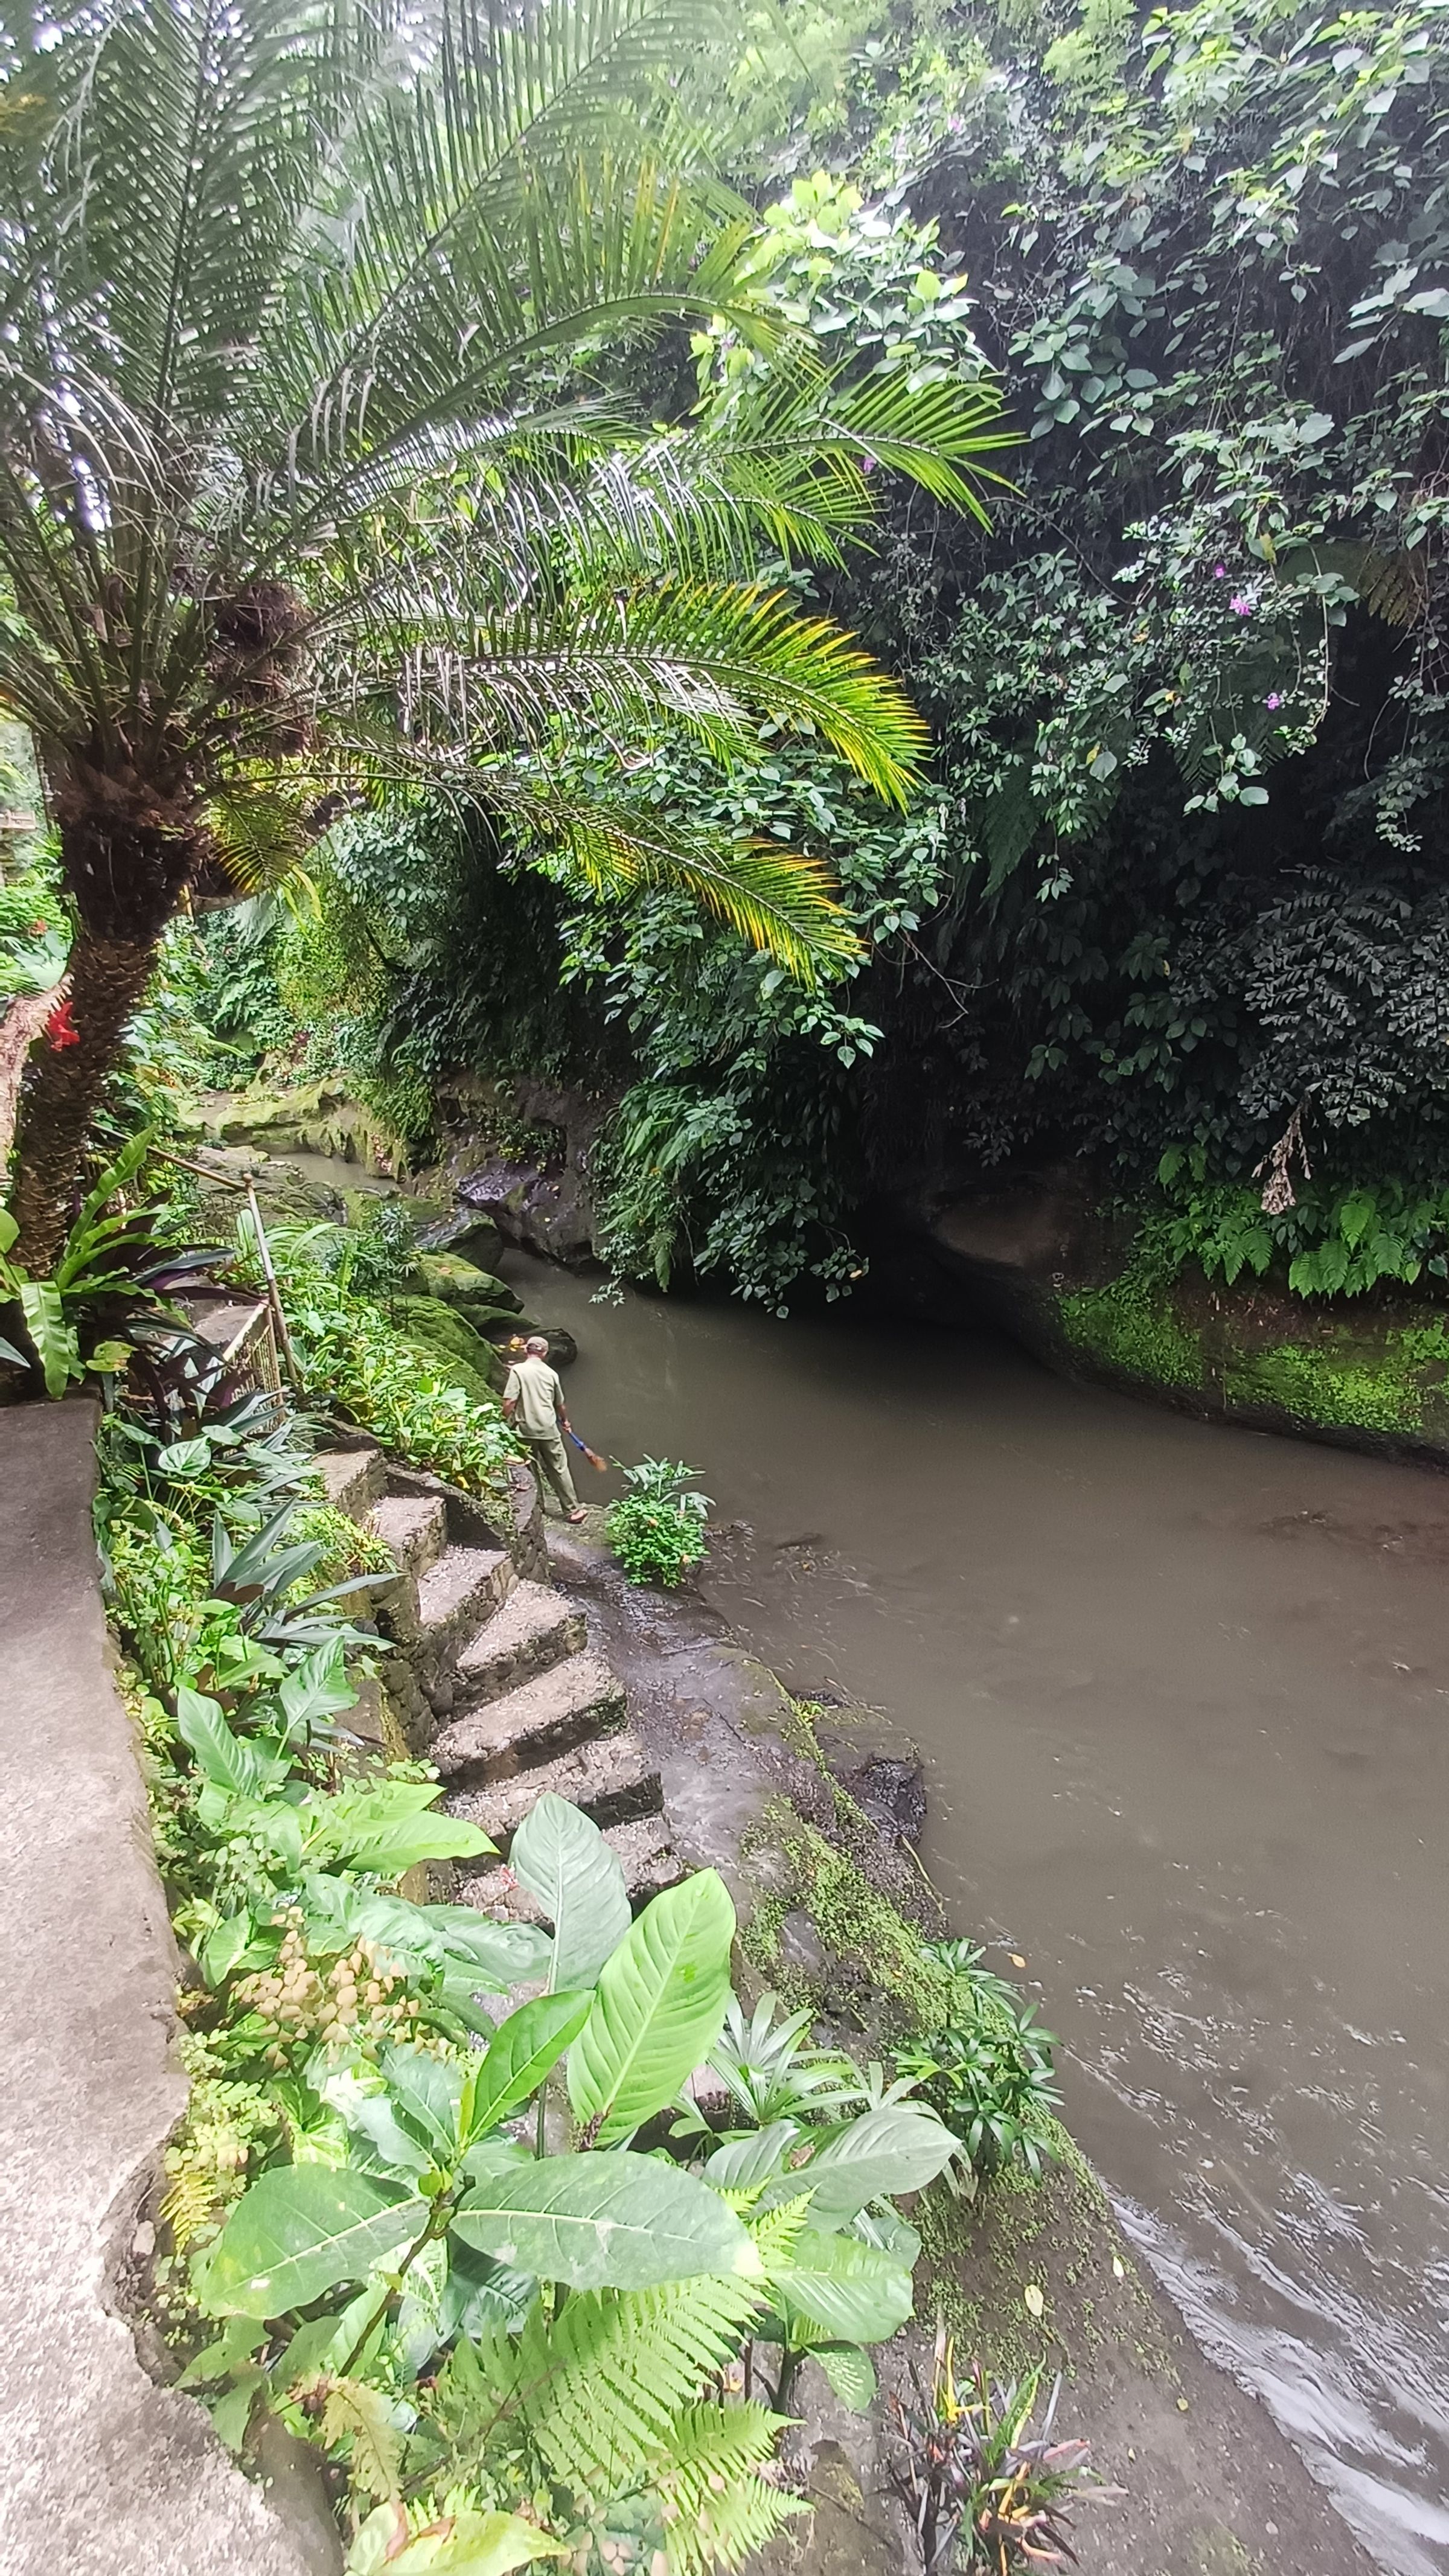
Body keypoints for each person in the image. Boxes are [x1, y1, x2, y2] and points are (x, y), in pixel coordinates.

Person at [502, 1334, 586, 1522]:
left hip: (524, 1429)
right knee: (559, 1468)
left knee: (529, 1467)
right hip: (548, 1428)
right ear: (545, 1353)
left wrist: (502, 1421)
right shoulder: (552, 1374)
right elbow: (560, 1404)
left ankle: (537, 1507)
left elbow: (510, 1401)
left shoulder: (518, 1371)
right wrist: (565, 1421)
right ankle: (573, 1511)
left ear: (526, 1350)